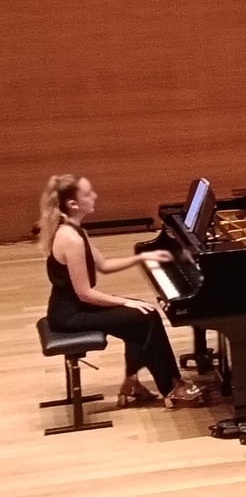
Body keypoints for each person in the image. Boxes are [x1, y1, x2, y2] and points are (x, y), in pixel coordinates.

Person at [39, 173, 202, 408]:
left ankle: (132, 384)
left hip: (74, 307)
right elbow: (85, 293)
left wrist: (142, 258)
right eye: (87, 194)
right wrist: (124, 302)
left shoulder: (76, 230)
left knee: (140, 314)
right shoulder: (71, 240)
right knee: (146, 316)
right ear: (73, 204)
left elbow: (104, 265)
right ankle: (172, 387)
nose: (94, 196)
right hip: (69, 315)